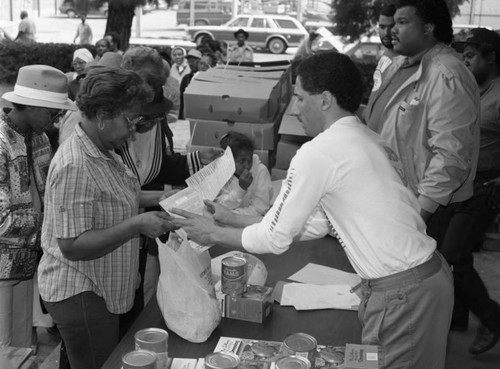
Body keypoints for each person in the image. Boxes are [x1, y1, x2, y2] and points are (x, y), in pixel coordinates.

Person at [170, 52, 454, 369]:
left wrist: (211, 232)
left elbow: (275, 239)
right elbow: (315, 224)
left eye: (300, 98)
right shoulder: (361, 137)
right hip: (422, 282)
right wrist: (232, 219)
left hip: (405, 293)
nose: (295, 108)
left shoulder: (319, 152)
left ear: (324, 100)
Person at [37, 66, 178, 369]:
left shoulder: (102, 149)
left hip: (99, 287)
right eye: (130, 120)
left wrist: (157, 198)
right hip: (81, 290)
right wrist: (136, 225)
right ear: (103, 114)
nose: (133, 129)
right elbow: (72, 245)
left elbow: (111, 198)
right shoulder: (75, 164)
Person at [366, 0, 480, 339]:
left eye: (402, 22)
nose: (392, 30)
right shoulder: (402, 63)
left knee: (413, 299)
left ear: (428, 28)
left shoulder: (445, 73)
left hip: (427, 207)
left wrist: (419, 213)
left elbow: (451, 155)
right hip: (397, 198)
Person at [0, 65, 76, 347]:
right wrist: (52, 223)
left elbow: (49, 192)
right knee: (5, 345)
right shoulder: (1, 144)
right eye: (52, 113)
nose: (56, 121)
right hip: (4, 266)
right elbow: (1, 221)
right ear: (31, 106)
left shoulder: (41, 138)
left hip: (30, 261)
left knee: (23, 343)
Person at [443, 28, 500, 355]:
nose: (464, 62)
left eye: (471, 56)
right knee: (443, 250)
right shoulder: (473, 90)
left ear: (491, 58)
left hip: (485, 188)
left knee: (455, 257)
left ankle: (493, 319)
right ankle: (457, 316)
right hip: (461, 184)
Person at [215, 132, 272, 216]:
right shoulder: (222, 172)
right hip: (228, 218)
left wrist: (231, 215)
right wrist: (240, 190)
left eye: (249, 160)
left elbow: (260, 209)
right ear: (228, 160)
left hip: (251, 222)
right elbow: (220, 205)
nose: (247, 165)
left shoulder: (261, 171)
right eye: (241, 161)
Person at [179, 48, 201, 120]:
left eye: (193, 61)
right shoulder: (186, 78)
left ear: (199, 61)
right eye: (189, 62)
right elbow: (181, 98)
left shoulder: (204, 77)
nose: (190, 64)